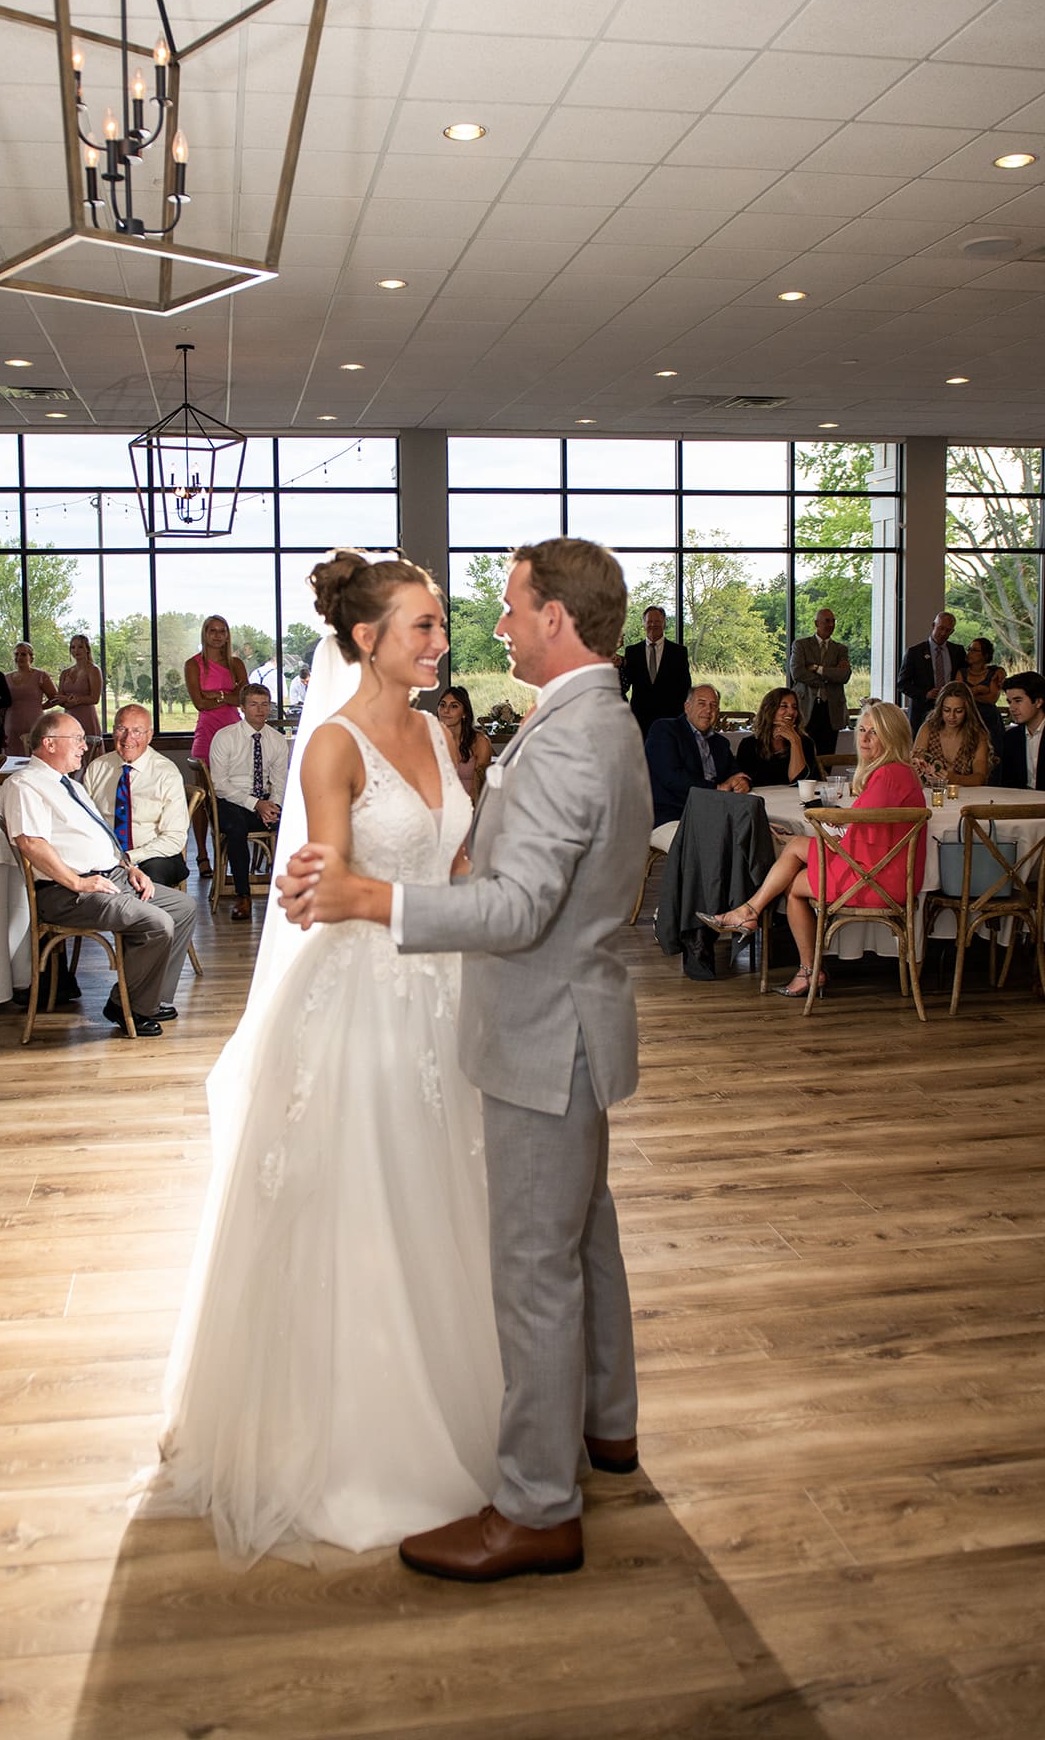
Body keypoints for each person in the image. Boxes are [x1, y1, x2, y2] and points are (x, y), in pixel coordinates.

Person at [279, 538, 652, 1584]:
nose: (490, 628)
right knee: (585, 1235)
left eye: (508, 608)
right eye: (436, 621)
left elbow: (519, 904)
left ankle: (537, 1509)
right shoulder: (593, 717)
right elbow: (488, 861)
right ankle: (606, 1426)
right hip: (555, 1013)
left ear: (556, 622)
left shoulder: (571, 736)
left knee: (537, 1266)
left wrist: (370, 898)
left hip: (543, 1024)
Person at [150, 551, 504, 1567]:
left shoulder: (439, 729)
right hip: (365, 999)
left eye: (441, 625)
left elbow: (456, 858)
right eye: (422, 627)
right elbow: (330, 881)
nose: (440, 642)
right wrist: (314, 878)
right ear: (366, 640)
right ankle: (362, 1443)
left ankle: (464, 1405)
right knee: (368, 1203)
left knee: (447, 1198)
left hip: (446, 986)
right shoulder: (335, 747)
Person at [698, 701, 927, 999]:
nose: (865, 738)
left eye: (875, 732)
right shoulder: (899, 772)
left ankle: (779, 941)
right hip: (883, 870)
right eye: (862, 730)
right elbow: (861, 832)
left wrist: (820, 828)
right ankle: (756, 921)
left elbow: (853, 835)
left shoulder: (887, 775)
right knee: (794, 853)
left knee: (794, 870)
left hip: (876, 878)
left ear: (892, 736)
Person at [0, 712, 196, 1038]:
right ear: (49, 744)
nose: (84, 746)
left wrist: (129, 868)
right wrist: (77, 882)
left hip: (111, 876)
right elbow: (30, 843)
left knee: (183, 909)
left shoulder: (68, 784)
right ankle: (129, 1006)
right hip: (67, 891)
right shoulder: (24, 784)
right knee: (156, 922)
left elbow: (100, 836)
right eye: (77, 739)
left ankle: (149, 998)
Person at [85, 705, 191, 887]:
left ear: (149, 736)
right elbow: (84, 821)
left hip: (153, 855)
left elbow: (174, 837)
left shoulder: (166, 773)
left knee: (146, 881)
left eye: (137, 731)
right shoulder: (97, 768)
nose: (128, 738)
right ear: (113, 732)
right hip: (105, 854)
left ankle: (142, 915)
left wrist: (130, 857)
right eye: (121, 729)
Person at [209, 684, 289, 920]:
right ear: (242, 707)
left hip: (264, 801)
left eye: (265, 704)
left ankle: (291, 890)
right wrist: (255, 804)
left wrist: (273, 807)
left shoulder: (276, 740)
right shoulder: (225, 737)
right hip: (230, 800)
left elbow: (280, 780)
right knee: (236, 828)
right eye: (253, 704)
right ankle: (243, 895)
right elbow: (220, 784)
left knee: (296, 823)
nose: (260, 710)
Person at [645, 684, 751, 841]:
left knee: (753, 835)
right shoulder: (665, 730)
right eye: (701, 703)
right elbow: (671, 778)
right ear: (687, 707)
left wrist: (742, 782)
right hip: (670, 816)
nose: (708, 710)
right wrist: (718, 788)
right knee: (710, 843)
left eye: (713, 705)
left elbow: (735, 772)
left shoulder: (720, 743)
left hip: (712, 813)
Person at [184, 615, 248, 877]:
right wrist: (227, 696)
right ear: (205, 633)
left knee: (233, 792)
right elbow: (199, 703)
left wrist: (217, 695)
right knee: (202, 795)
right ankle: (202, 854)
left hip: (235, 732)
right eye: (213, 630)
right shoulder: (193, 664)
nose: (218, 635)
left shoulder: (236, 664)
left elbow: (243, 698)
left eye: (222, 631)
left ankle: (232, 853)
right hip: (207, 733)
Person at [790, 607, 852, 767]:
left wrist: (818, 669)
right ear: (817, 623)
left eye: (833, 621)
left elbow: (844, 676)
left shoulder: (840, 649)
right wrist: (829, 677)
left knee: (827, 755)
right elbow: (797, 673)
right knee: (803, 752)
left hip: (831, 710)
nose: (831, 624)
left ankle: (825, 786)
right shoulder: (801, 645)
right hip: (806, 707)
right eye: (827, 621)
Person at [620, 604, 691, 740]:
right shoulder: (632, 652)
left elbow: (685, 687)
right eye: (649, 622)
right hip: (640, 722)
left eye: (657, 622)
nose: (653, 625)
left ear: (664, 624)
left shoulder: (678, 652)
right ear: (644, 624)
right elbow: (625, 685)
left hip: (670, 721)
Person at [897, 611, 966, 734]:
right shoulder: (915, 652)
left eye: (948, 630)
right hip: (922, 712)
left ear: (952, 632)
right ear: (933, 626)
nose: (943, 633)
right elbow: (902, 684)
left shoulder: (957, 651)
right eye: (941, 628)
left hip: (951, 712)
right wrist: (925, 694)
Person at [912, 682, 990, 786]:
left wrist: (953, 778)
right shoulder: (928, 729)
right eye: (946, 710)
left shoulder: (977, 735)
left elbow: (980, 778)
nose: (951, 716)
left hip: (968, 797)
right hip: (931, 794)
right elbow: (916, 763)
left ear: (967, 710)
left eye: (958, 711)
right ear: (940, 709)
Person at [736, 687, 816, 786]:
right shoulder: (749, 744)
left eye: (794, 707)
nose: (791, 712)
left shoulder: (805, 743)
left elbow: (799, 783)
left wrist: (795, 742)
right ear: (770, 710)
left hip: (794, 799)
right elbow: (742, 782)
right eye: (784, 706)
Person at [436, 684, 492, 803]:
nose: (446, 710)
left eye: (454, 706)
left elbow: (479, 789)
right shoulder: (430, 739)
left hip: (470, 808)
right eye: (442, 705)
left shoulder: (480, 742)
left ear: (464, 713)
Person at [955, 635, 1006, 764]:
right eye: (969, 649)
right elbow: (959, 695)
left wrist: (970, 695)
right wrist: (977, 690)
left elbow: (992, 698)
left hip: (989, 719)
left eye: (974, 650)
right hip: (968, 718)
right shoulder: (962, 672)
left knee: (992, 756)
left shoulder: (993, 673)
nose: (969, 653)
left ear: (984, 655)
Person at [3, 641, 58, 754]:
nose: (19, 657)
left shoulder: (40, 676)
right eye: (16, 654)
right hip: (11, 725)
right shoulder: (6, 678)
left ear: (31, 658)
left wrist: (39, 707)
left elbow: (55, 698)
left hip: (34, 724)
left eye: (23, 654)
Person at [999, 671, 1045, 790]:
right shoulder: (1011, 737)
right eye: (1009, 702)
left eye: (1018, 701)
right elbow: (1007, 783)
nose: (1012, 708)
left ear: (1038, 702)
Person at [54, 634, 104, 742]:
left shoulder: (93, 670)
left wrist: (74, 700)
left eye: (80, 647)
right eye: (73, 647)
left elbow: (95, 698)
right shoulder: (65, 673)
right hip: (69, 717)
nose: (76, 650)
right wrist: (65, 701)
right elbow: (60, 697)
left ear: (87, 649)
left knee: (88, 751)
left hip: (86, 717)